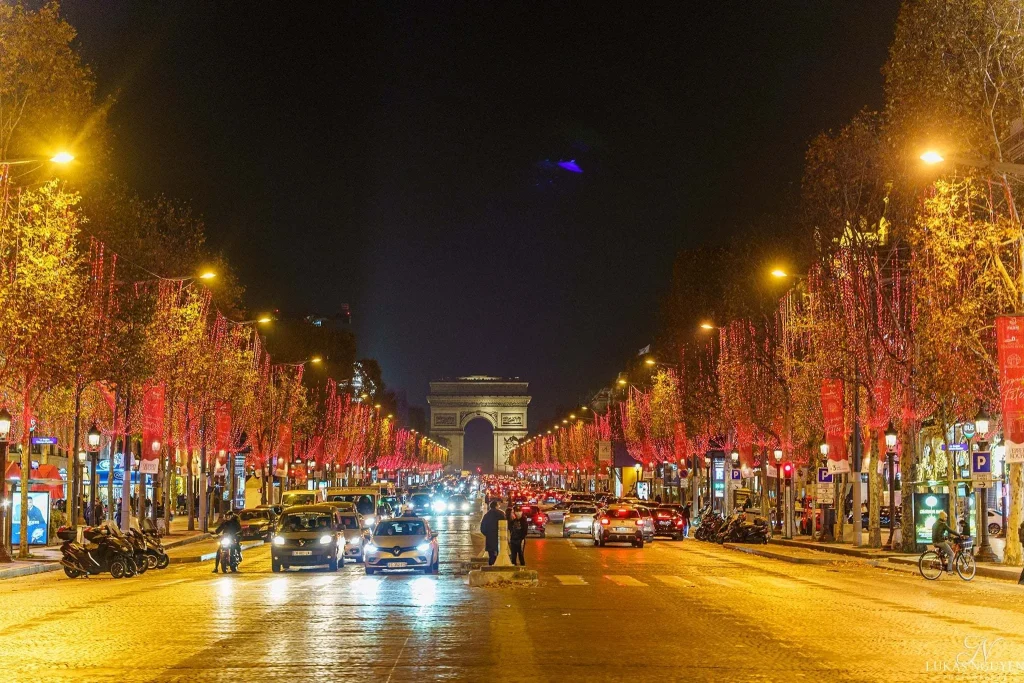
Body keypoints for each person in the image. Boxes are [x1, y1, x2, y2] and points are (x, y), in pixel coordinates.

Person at [212, 509, 242, 573]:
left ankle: (239, 556)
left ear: (232, 516)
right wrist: (216, 531)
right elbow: (219, 529)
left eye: (229, 516)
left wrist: (237, 534)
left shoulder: (235, 522)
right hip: (225, 538)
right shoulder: (224, 523)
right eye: (227, 516)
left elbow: (239, 530)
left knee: (235, 546)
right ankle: (216, 567)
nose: (228, 517)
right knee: (218, 551)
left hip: (232, 538)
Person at [479, 500, 503, 566]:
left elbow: (482, 528)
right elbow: (505, 525)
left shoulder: (486, 515)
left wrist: (488, 534)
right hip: (499, 538)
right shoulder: (500, 514)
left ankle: (491, 567)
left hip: (489, 539)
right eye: (498, 505)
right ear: (496, 506)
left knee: (491, 556)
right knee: (498, 555)